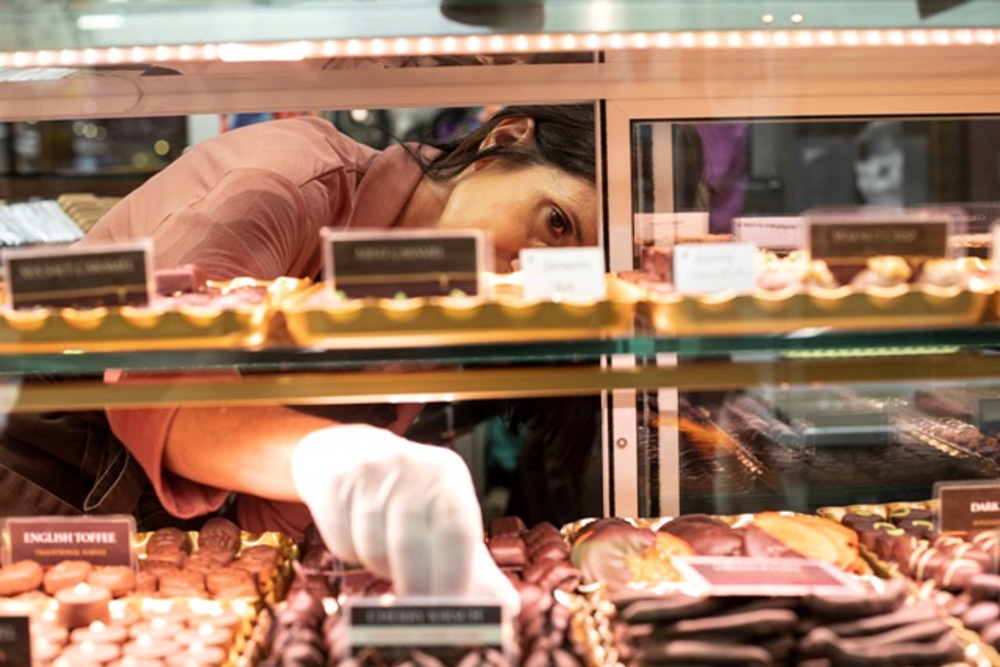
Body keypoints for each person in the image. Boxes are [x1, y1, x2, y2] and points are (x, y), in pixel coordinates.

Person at [0, 104, 597, 609]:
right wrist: (335, 460)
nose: (532, 269)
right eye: (555, 221)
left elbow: (274, 523)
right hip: (35, 468)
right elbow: (161, 385)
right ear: (505, 138)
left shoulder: (434, 318)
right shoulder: (288, 177)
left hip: (155, 556)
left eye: (567, 267)